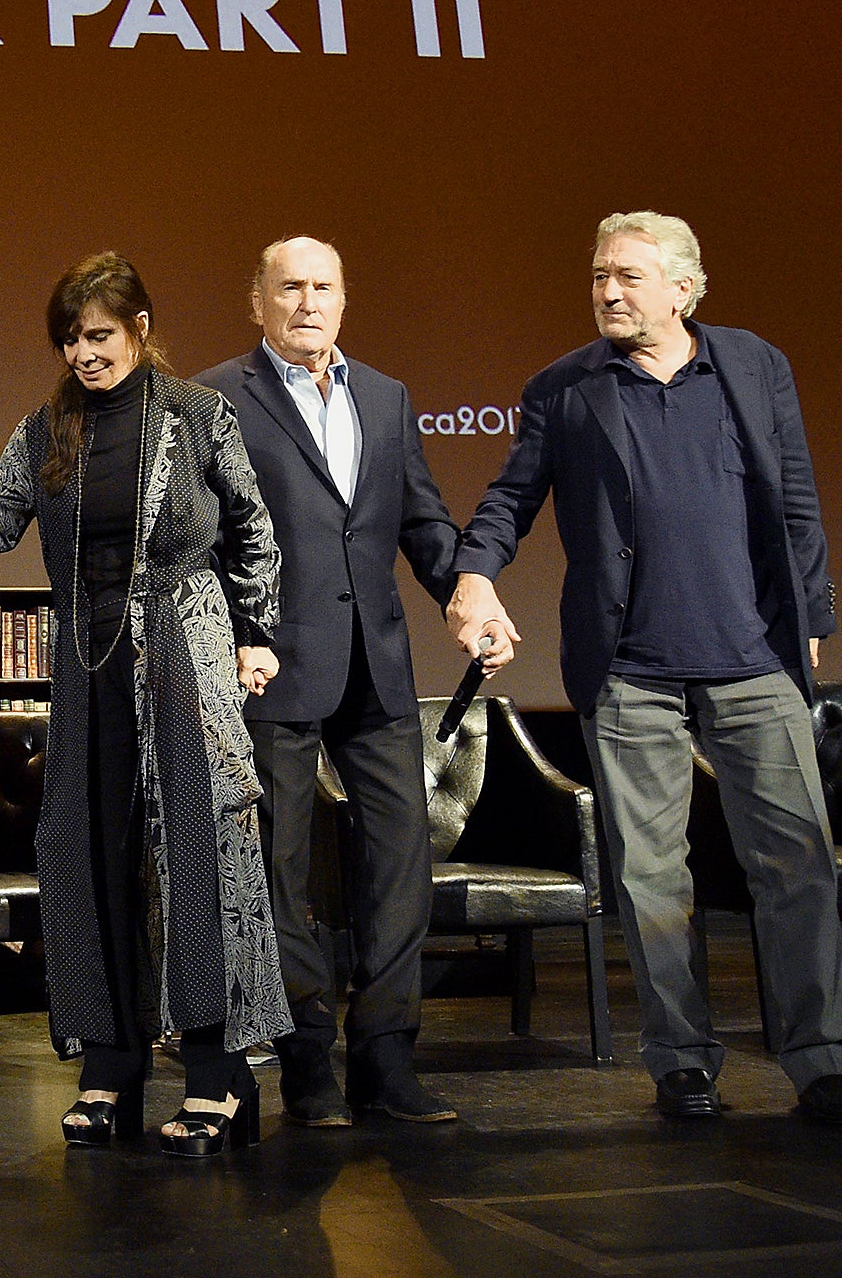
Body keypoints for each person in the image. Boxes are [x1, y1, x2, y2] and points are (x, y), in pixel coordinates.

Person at [447, 211, 842, 1125]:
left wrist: (811, 621)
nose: (608, 291)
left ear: (683, 288)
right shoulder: (567, 388)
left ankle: (821, 1056)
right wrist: (474, 575)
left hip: (754, 661)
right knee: (652, 877)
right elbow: (512, 496)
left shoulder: (752, 364)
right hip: (631, 671)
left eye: (627, 275)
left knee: (798, 866)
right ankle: (681, 1061)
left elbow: (794, 497)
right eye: (597, 276)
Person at [0, 251, 289, 1155]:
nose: (85, 354)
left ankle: (214, 1077)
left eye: (100, 336)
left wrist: (256, 631)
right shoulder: (49, 430)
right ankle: (109, 1069)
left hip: (187, 660)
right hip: (88, 670)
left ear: (140, 329)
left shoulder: (200, 417)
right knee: (91, 858)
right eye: (71, 339)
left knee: (200, 864)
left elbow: (253, 530)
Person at [197, 237, 461, 1127]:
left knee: (399, 873)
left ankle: (387, 1063)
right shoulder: (216, 398)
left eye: (324, 287)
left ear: (345, 300)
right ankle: (308, 1065)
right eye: (290, 287)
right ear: (258, 301)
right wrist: (236, 637)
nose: (308, 302)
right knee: (276, 878)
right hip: (269, 668)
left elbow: (422, 521)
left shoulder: (385, 396)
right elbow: (202, 539)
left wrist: (470, 596)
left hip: (377, 665)